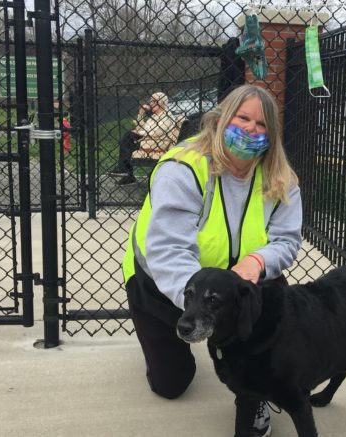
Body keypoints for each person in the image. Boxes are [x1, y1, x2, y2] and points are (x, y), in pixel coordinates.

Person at [121, 85, 302, 437]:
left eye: (262, 124)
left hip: (240, 281)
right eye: (243, 118)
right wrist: (205, 309)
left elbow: (286, 240)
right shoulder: (183, 167)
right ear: (219, 120)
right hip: (162, 282)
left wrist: (258, 261)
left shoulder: (280, 178)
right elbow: (167, 251)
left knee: (271, 316)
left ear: (273, 134)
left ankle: (259, 390)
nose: (251, 129)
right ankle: (165, 344)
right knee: (170, 384)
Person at [111, 92, 179, 185]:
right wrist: (141, 113)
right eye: (150, 101)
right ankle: (127, 173)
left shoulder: (167, 116)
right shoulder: (154, 116)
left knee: (128, 137)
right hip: (148, 140)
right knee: (128, 138)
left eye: (153, 101)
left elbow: (158, 132)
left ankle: (124, 170)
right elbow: (141, 128)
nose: (150, 103)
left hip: (155, 143)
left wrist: (139, 133)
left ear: (161, 102)